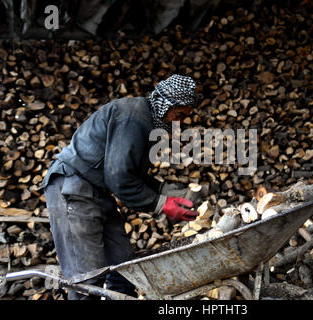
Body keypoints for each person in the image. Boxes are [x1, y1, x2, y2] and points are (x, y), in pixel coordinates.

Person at [41, 74, 199, 299]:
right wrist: (162, 204)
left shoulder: (145, 121)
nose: (178, 121)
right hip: (73, 189)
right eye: (179, 114)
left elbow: (133, 175)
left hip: (96, 190)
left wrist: (172, 194)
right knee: (87, 277)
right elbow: (119, 178)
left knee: (123, 267)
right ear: (167, 102)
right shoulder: (134, 116)